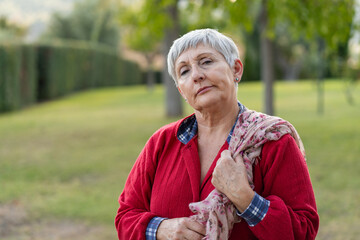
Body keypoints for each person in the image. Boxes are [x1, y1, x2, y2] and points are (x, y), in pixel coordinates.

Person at [115, 28, 319, 240]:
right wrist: (159, 229)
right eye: (184, 71)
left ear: (236, 69)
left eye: (206, 62)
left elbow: (303, 232)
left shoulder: (273, 141)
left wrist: (246, 199)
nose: (196, 75)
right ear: (181, 91)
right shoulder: (161, 143)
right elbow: (125, 217)